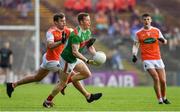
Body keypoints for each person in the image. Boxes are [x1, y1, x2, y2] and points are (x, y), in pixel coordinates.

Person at [6, 13, 101, 105]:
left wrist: (91, 47)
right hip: (52, 60)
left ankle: (13, 85)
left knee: (37, 77)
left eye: (64, 21)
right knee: (69, 77)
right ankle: (84, 95)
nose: (64, 23)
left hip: (60, 58)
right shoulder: (51, 32)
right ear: (55, 22)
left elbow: (80, 37)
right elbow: (50, 45)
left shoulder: (69, 30)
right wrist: (61, 42)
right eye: (61, 21)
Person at [43, 12, 102, 108]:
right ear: (81, 22)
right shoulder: (75, 34)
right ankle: (47, 101)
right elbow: (75, 52)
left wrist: (96, 55)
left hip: (74, 58)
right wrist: (87, 60)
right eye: (87, 20)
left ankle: (65, 84)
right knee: (62, 83)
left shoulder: (87, 31)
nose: (89, 22)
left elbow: (89, 46)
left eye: (89, 20)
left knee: (87, 74)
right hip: (67, 60)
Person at [132, 13, 170, 104]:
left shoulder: (156, 31)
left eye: (148, 19)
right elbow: (135, 45)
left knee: (163, 81)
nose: (146, 21)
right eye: (144, 19)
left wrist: (163, 41)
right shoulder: (138, 33)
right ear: (142, 21)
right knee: (156, 78)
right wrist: (134, 55)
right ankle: (159, 100)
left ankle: (164, 98)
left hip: (158, 58)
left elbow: (165, 41)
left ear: (151, 20)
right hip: (147, 59)